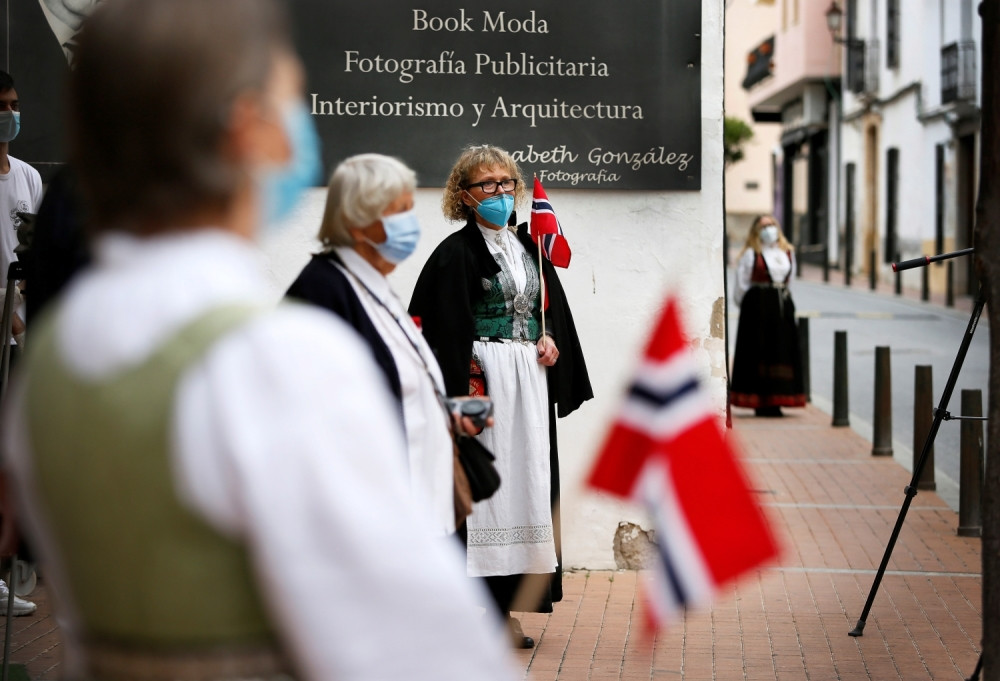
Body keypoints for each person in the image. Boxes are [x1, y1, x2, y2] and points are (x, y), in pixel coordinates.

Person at [1, 3, 518, 680]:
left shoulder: (56, 350)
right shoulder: (275, 359)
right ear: (247, 128)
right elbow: (423, 651)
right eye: (291, 102)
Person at [409, 144, 592, 648]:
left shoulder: (529, 247)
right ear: (464, 196)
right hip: (483, 381)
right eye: (486, 185)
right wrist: (463, 379)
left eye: (506, 183)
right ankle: (477, 612)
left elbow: (546, 312)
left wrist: (548, 336)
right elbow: (439, 327)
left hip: (528, 382)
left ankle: (509, 604)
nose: (499, 193)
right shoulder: (454, 255)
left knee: (526, 484)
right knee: (484, 486)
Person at [286, 153, 476, 536]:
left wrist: (447, 410)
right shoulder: (322, 291)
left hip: (417, 511)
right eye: (399, 212)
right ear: (358, 224)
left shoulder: (372, 284)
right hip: (368, 523)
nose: (411, 223)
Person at [729, 214, 806, 416]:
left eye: (771, 225)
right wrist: (751, 305)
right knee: (759, 351)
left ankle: (778, 399)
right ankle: (760, 401)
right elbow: (741, 286)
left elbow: (791, 281)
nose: (769, 229)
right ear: (756, 230)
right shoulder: (750, 254)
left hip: (781, 305)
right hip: (758, 306)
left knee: (781, 350)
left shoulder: (787, 252)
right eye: (764, 226)